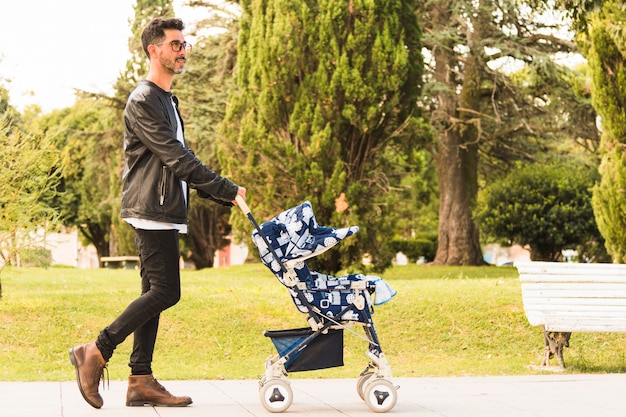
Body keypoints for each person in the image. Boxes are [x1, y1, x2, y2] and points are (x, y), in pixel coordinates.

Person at [69, 17, 246, 409]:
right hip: (151, 210)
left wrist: (221, 193)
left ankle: (140, 380)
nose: (183, 50)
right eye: (175, 44)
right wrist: (225, 189)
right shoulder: (143, 99)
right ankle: (94, 351)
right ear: (154, 50)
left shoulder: (166, 99)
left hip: (164, 210)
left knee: (155, 293)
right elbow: (177, 158)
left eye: (184, 44)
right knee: (166, 291)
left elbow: (182, 161)